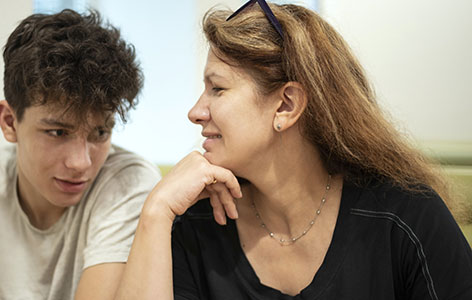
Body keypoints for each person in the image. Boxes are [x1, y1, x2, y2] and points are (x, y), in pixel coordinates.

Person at [115, 1, 472, 299]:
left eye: (217, 89)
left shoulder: (406, 219)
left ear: (286, 105)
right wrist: (156, 212)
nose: (195, 112)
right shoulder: (197, 225)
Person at [0, 9, 160, 300]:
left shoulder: (127, 184)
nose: (81, 163)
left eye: (100, 133)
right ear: (9, 121)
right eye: (58, 132)